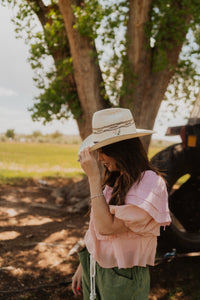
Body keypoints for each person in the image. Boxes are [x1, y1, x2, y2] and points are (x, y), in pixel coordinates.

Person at [72, 108, 171, 300]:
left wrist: (93, 178)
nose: (99, 158)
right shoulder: (116, 181)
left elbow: (106, 227)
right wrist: (84, 265)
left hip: (122, 275)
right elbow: (96, 230)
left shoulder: (150, 183)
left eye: (103, 151)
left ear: (121, 150)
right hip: (95, 268)